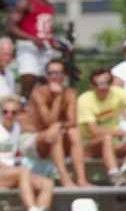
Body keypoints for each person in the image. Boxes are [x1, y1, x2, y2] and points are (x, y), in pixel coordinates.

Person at [0, 96, 54, 211]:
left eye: (13, 112)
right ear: (0, 112)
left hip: (7, 173)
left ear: (18, 114)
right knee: (23, 171)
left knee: (47, 183)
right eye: (5, 111)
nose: (9, 115)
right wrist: (19, 170)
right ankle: (32, 209)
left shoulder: (16, 128)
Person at [19, 59, 90, 187]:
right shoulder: (38, 93)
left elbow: (72, 121)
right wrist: (57, 98)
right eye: (51, 73)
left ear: (64, 76)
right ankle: (65, 179)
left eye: (58, 73)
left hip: (56, 137)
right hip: (33, 139)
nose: (55, 77)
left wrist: (60, 125)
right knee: (55, 132)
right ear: (46, 76)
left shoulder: (70, 93)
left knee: (74, 132)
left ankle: (81, 179)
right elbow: (48, 121)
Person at [77, 68, 126, 186]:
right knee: (106, 137)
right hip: (90, 146)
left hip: (113, 144)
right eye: (99, 84)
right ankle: (114, 174)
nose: (104, 87)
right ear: (91, 86)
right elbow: (95, 130)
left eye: (108, 82)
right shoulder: (84, 100)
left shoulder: (116, 92)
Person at [7, 0, 61, 100]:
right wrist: (32, 38)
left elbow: (46, 32)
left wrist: (56, 45)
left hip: (45, 50)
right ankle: (21, 110)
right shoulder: (26, 1)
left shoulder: (49, 5)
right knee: (28, 82)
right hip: (28, 49)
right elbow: (11, 27)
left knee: (47, 86)